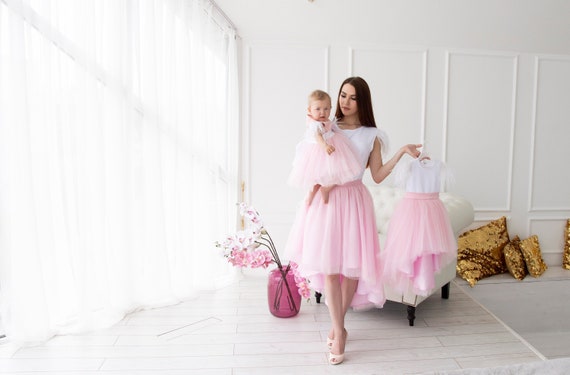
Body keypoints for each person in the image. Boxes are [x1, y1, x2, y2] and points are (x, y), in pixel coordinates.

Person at [285, 77, 422, 365]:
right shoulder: (327, 126)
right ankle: (339, 329)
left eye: (352, 98)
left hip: (354, 201)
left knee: (350, 271)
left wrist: (400, 153)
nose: (345, 102)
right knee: (330, 269)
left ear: (363, 102)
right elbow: (311, 159)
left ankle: (338, 327)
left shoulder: (371, 134)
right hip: (327, 203)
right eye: (343, 95)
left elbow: (377, 175)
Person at [381, 154, 456, 296]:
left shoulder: (439, 166)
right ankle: (416, 276)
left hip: (431, 210)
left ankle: (423, 278)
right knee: (410, 246)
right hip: (412, 210)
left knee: (426, 248)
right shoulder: (410, 165)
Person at [287, 89, 361, 205]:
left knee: (338, 171)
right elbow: (318, 137)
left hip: (332, 145)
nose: (322, 112)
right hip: (319, 150)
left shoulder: (326, 121)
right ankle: (310, 196)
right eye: (318, 109)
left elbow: (333, 128)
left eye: (326, 109)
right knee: (317, 178)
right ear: (309, 110)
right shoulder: (315, 124)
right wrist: (325, 146)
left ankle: (326, 188)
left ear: (330, 108)